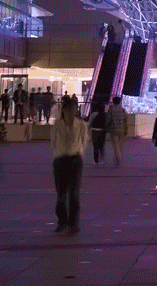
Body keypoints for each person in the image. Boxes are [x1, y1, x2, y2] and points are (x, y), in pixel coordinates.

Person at [51, 95, 88, 234]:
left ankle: (73, 223)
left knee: (74, 194)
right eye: (68, 109)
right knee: (61, 194)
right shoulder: (57, 124)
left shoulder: (81, 124)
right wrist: (59, 153)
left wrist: (79, 153)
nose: (71, 112)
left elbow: (84, 140)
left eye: (73, 109)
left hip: (75, 160)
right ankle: (62, 221)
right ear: (64, 110)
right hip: (60, 160)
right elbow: (53, 141)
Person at [106, 96, 128, 167]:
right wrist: (126, 130)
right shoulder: (123, 110)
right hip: (122, 130)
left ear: (113, 102)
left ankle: (118, 158)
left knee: (116, 146)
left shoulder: (111, 110)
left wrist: (107, 127)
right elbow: (126, 121)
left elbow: (108, 120)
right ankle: (117, 157)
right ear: (120, 102)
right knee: (120, 146)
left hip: (113, 130)